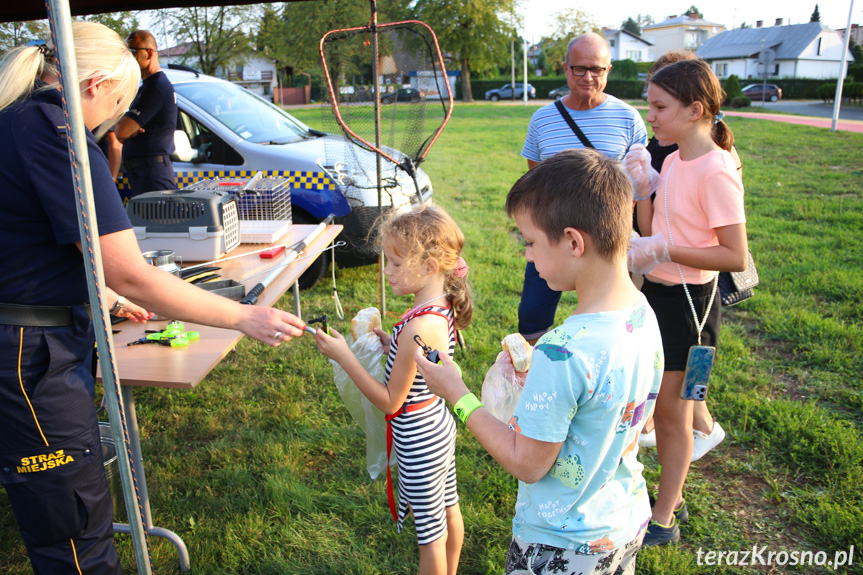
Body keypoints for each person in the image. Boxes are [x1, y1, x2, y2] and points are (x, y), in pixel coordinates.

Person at [0, 23, 308, 574]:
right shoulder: (57, 134)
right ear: (94, 84)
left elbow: (30, 243)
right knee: (73, 530)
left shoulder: (14, 120)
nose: (111, 124)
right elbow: (135, 274)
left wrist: (105, 296)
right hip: (33, 356)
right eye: (115, 106)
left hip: (24, 335)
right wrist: (243, 315)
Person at [416, 149, 663, 575]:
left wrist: (457, 394)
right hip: (623, 521)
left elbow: (527, 463)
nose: (528, 255)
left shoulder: (561, 351)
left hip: (563, 546)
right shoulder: (642, 313)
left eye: (530, 242)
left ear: (572, 241)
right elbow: (642, 419)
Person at [627, 59, 749, 546]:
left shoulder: (716, 169)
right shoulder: (674, 159)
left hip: (690, 305)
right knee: (652, 405)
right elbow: (653, 230)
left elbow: (733, 254)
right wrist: (643, 190)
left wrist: (666, 249)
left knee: (674, 419)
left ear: (695, 108)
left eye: (659, 106)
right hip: (655, 291)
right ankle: (653, 500)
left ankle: (662, 519)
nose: (650, 116)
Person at [314, 205, 473, 575]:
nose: (387, 271)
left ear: (431, 266)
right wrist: (392, 345)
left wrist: (344, 357)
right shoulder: (435, 307)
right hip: (436, 426)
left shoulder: (419, 326)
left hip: (418, 440)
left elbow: (390, 401)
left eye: (397, 264)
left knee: (430, 536)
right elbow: (419, 364)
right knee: (449, 509)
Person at [519, 32, 648, 344]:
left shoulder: (629, 118)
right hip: (552, 233)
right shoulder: (543, 119)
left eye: (596, 69)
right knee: (532, 315)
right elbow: (535, 181)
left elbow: (639, 184)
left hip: (607, 236)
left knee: (611, 315)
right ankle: (535, 373)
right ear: (566, 69)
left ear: (608, 70)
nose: (588, 77)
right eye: (579, 68)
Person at [115, 30, 177, 197]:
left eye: (133, 51)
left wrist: (128, 130)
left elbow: (120, 132)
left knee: (160, 221)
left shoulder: (156, 87)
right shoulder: (146, 87)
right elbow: (122, 129)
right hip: (144, 171)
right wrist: (127, 128)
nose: (129, 56)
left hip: (152, 173)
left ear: (149, 53)